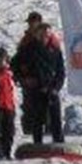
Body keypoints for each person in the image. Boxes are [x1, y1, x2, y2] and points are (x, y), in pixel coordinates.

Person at [13, 12, 67, 146]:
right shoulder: (27, 48)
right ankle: (37, 144)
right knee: (37, 118)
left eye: (47, 35)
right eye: (42, 35)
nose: (44, 37)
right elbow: (15, 65)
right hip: (35, 88)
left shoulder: (55, 49)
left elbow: (60, 71)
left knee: (55, 118)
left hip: (52, 87)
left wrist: (56, 87)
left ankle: (59, 142)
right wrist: (24, 80)